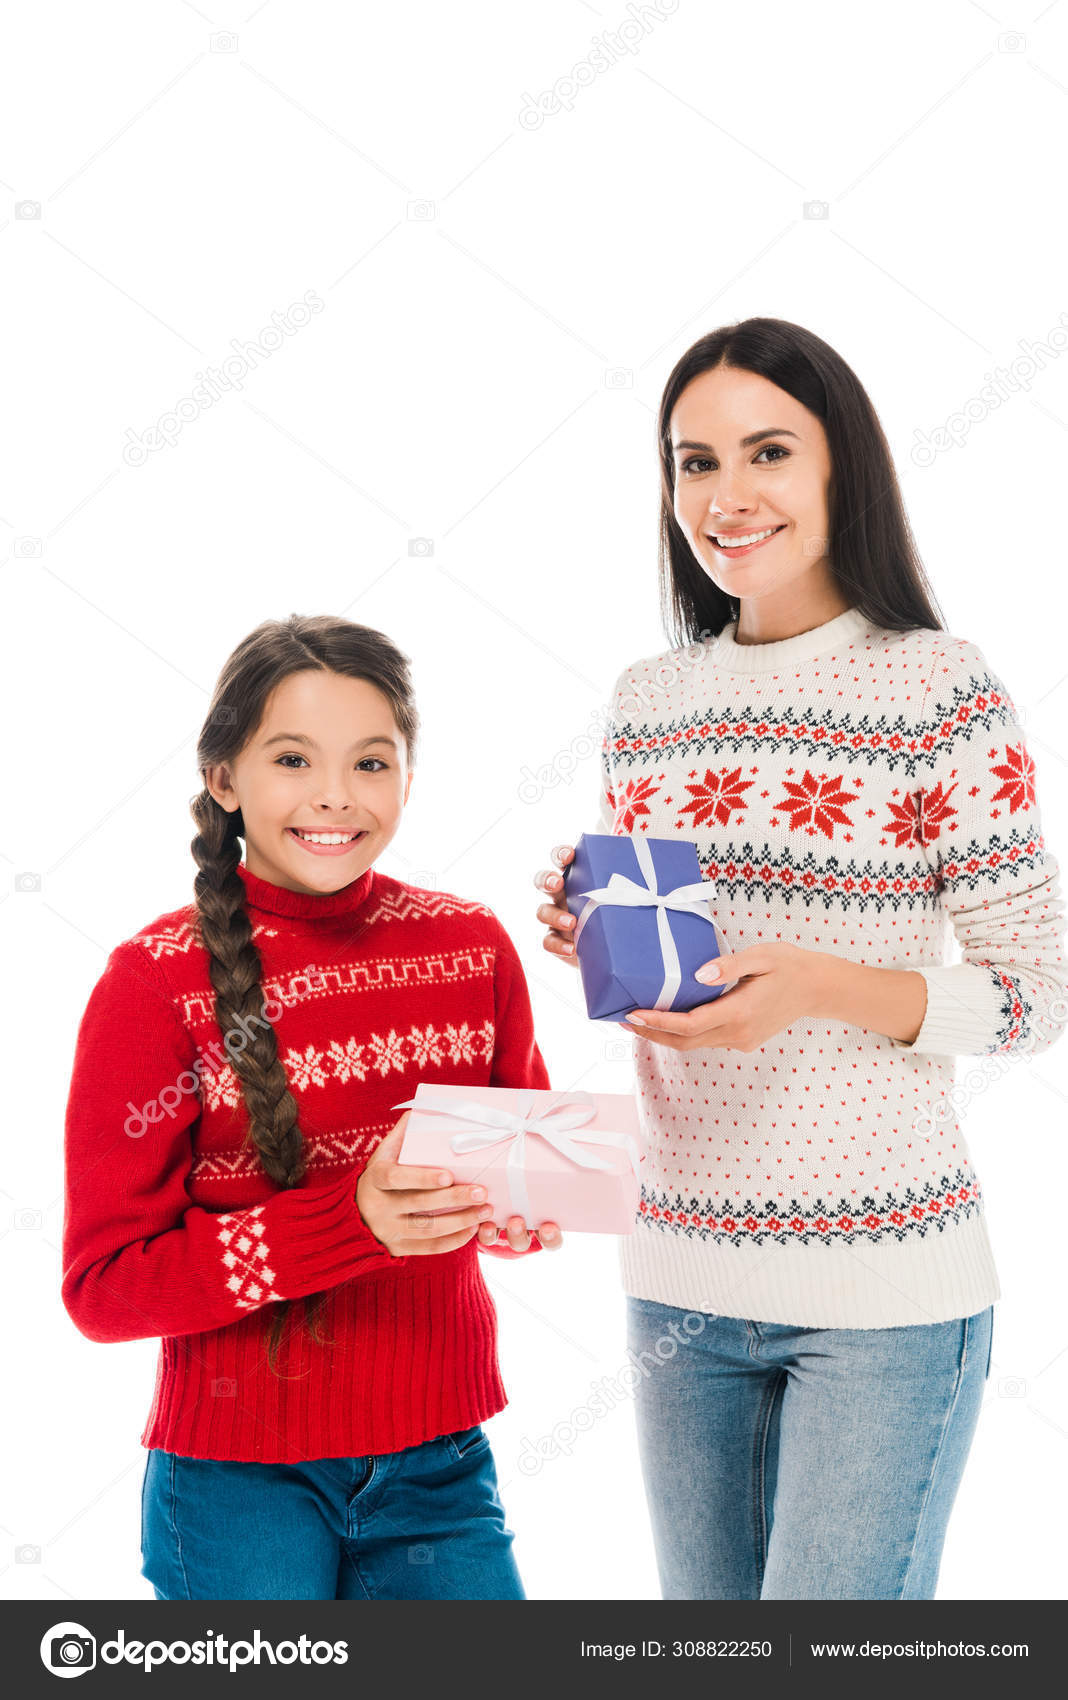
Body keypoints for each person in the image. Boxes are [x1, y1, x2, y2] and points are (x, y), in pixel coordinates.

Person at [535, 316, 1067, 1600]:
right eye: (694, 461)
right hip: (676, 1278)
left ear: (844, 469)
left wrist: (826, 986)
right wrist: (596, 932)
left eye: (767, 450)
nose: (727, 496)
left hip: (884, 1294)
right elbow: (679, 975)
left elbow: (1036, 994)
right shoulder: (647, 699)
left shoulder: (939, 688)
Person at [62, 613, 561, 1601]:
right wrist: (349, 1223)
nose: (337, 794)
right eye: (294, 757)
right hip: (238, 1485)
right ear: (224, 778)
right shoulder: (152, 984)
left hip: (442, 1465)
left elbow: (517, 1179)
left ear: (409, 777)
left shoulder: (473, 946)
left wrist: (521, 1211)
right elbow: (104, 1285)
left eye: (372, 762)